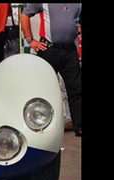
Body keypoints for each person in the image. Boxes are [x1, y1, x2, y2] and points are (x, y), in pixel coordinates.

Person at [21, 3, 82, 137]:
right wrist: (30, 40)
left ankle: (79, 127)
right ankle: (38, 126)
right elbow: (24, 16)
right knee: (43, 90)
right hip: (48, 49)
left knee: (77, 90)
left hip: (70, 50)